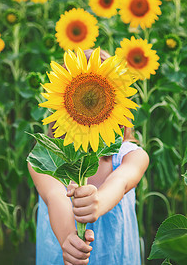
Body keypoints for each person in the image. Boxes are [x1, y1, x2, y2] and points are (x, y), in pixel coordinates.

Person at [28, 49, 149, 265]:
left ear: (118, 105)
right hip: (61, 255)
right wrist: (68, 238)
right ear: (62, 102)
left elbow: (120, 181)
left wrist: (98, 202)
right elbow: (56, 196)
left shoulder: (131, 156)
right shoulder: (45, 157)